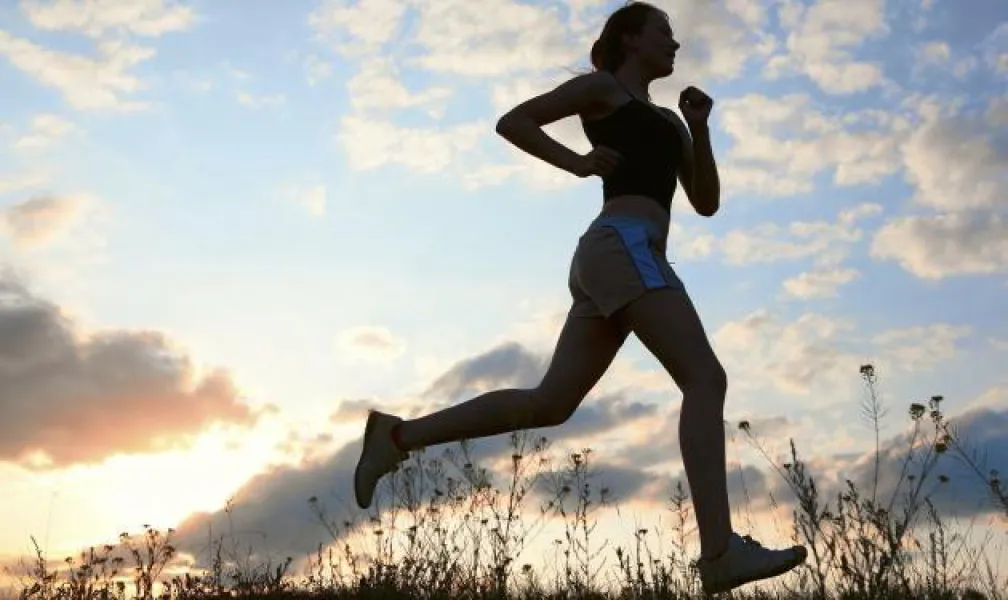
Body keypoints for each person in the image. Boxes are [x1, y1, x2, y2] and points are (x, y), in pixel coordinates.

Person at [353, 1, 807, 594]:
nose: (675, 44)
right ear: (629, 39)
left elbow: (706, 201)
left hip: (617, 256)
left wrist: (698, 125)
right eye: (664, 33)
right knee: (705, 379)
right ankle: (720, 551)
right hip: (621, 245)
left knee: (550, 403)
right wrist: (578, 163)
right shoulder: (602, 88)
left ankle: (396, 436)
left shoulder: (669, 121)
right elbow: (515, 121)